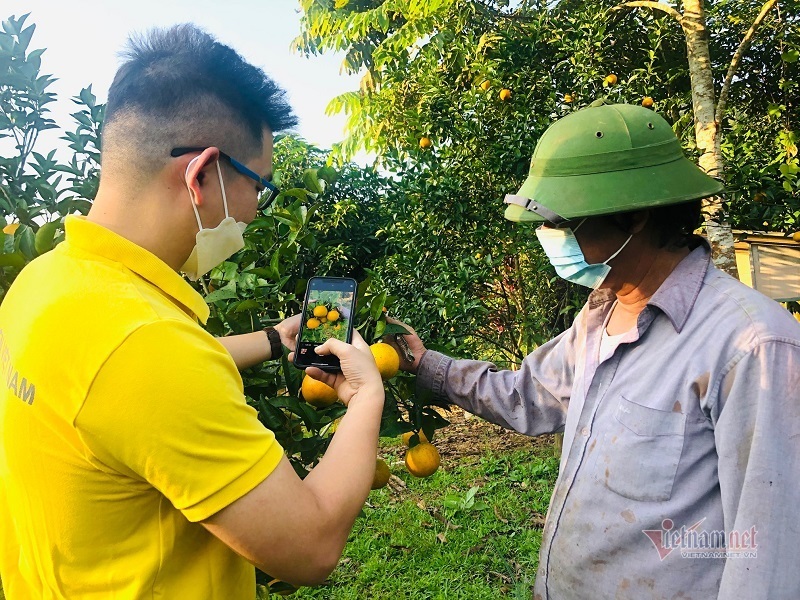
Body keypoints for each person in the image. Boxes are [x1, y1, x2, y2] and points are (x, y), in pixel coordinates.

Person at [0, 25, 384, 598]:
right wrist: (366, 399)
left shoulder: (47, 282)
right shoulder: (147, 345)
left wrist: (277, 339)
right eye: (261, 185)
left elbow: (116, 393)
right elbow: (311, 545)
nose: (256, 211)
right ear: (202, 174)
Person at [388, 101, 800, 599]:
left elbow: (767, 554)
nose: (552, 235)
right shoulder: (602, 312)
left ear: (636, 217)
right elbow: (526, 395)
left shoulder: (751, 345)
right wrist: (421, 362)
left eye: (565, 220)